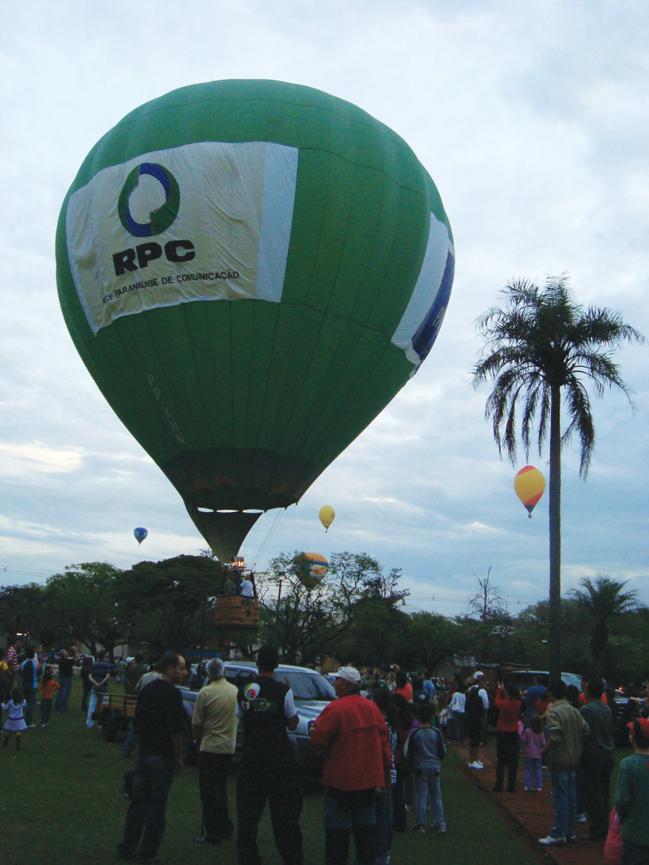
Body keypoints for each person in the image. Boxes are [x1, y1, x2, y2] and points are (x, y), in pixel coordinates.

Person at [311, 665, 392, 865]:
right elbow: (384, 744)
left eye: (338, 680)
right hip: (368, 783)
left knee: (337, 838)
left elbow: (317, 739)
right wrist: (385, 772)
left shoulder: (336, 708)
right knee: (365, 837)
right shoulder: (372, 709)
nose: (334, 683)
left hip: (341, 781)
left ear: (346, 684)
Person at [117, 651, 187, 862]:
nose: (184, 672)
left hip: (144, 753)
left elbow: (138, 722)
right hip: (162, 755)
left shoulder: (148, 690)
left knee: (138, 803)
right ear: (170, 668)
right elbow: (175, 730)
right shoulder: (173, 694)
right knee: (157, 806)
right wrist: (179, 756)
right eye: (181, 667)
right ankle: (148, 851)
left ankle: (127, 846)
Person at [236, 645, 303, 865]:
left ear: (257, 663)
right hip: (278, 758)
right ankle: (291, 856)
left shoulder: (245, 689)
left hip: (251, 756)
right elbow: (293, 723)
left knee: (248, 813)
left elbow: (242, 716)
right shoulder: (283, 691)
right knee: (284, 814)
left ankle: (247, 855)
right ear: (276, 665)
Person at [191, 657, 239, 845]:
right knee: (220, 788)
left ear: (209, 673)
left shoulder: (206, 692)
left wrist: (198, 740)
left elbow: (196, 722)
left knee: (208, 791)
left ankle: (213, 831)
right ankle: (225, 827)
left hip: (209, 747)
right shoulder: (235, 691)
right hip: (228, 747)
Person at [538, 679, 589, 846]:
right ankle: (570, 832)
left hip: (559, 759)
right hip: (574, 758)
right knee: (571, 796)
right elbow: (586, 730)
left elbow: (555, 735)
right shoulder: (574, 711)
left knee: (560, 797)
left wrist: (543, 752)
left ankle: (559, 832)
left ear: (551, 693)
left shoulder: (555, 712)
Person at [580, 677, 615, 842]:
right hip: (608, 754)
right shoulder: (607, 709)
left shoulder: (587, 710)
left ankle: (597, 830)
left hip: (593, 755)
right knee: (604, 791)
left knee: (593, 793)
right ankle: (604, 826)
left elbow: (584, 734)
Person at [408, 702, 446, 833]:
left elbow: (409, 753)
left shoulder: (415, 733)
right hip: (435, 766)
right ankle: (440, 823)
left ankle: (421, 824)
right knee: (436, 796)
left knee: (421, 795)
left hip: (420, 767)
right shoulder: (436, 732)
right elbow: (442, 752)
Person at [616, 717, 649, 865]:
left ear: (633, 737)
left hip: (634, 831)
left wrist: (621, 819)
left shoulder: (628, 765)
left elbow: (623, 800)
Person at [493, 682, 522, 793]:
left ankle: (499, 785)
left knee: (501, 760)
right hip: (513, 732)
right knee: (513, 760)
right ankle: (511, 785)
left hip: (503, 732)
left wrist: (499, 691)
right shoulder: (518, 703)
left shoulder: (505, 704)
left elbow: (496, 702)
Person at [86, 651, 113, 728]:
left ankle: (89, 723)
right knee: (105, 705)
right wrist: (101, 683)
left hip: (94, 687)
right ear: (104, 657)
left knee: (92, 705)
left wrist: (95, 683)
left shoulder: (93, 665)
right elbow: (107, 676)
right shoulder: (107, 665)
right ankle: (102, 723)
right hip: (104, 688)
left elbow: (90, 676)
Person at [465, 676, 486, 769]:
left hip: (471, 718)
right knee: (475, 740)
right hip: (476, 718)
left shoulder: (470, 691)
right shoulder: (480, 691)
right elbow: (486, 705)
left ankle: (474, 759)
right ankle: (473, 760)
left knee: (474, 740)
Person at [520, 714, 545, 792]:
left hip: (529, 754)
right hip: (538, 754)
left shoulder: (528, 731)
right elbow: (543, 743)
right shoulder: (541, 733)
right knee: (538, 770)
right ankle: (539, 786)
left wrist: (520, 733)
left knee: (528, 769)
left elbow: (523, 740)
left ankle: (527, 785)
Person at [20, 647, 38, 727]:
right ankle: (28, 722)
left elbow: (20, 672)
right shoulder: (35, 663)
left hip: (24, 684)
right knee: (31, 703)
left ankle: (20, 718)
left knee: (23, 702)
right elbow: (39, 672)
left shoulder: (23, 663)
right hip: (32, 685)